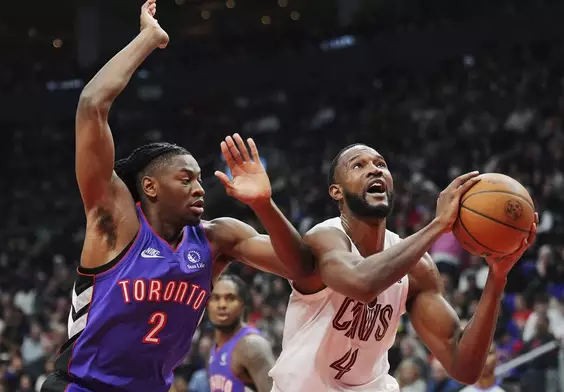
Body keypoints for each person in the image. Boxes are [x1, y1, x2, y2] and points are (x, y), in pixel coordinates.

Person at [41, 2, 311, 391]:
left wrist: (263, 205)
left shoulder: (217, 238)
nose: (199, 187)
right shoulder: (114, 221)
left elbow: (301, 268)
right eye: (185, 179)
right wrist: (148, 39)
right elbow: (91, 106)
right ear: (150, 187)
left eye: (200, 179)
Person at [269, 144, 537, 391]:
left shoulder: (418, 268)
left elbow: (464, 368)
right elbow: (363, 284)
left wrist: (497, 277)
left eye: (381, 164)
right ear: (336, 190)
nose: (374, 169)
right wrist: (437, 226)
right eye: (358, 165)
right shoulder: (325, 239)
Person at [207, 275, 275, 392]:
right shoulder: (214, 348)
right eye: (215, 298)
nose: (222, 305)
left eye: (230, 298)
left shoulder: (252, 345)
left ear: (243, 304)